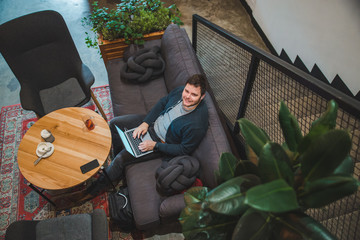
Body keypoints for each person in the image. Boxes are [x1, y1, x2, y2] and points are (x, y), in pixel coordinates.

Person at [71, 74, 209, 202]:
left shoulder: (197, 124)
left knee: (120, 160)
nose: (187, 96)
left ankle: (90, 192)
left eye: (194, 95)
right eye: (187, 91)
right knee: (114, 123)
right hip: (153, 123)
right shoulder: (181, 92)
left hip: (160, 142)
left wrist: (155, 145)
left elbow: (184, 149)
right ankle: (116, 159)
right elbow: (163, 102)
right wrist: (145, 123)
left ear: (202, 97)